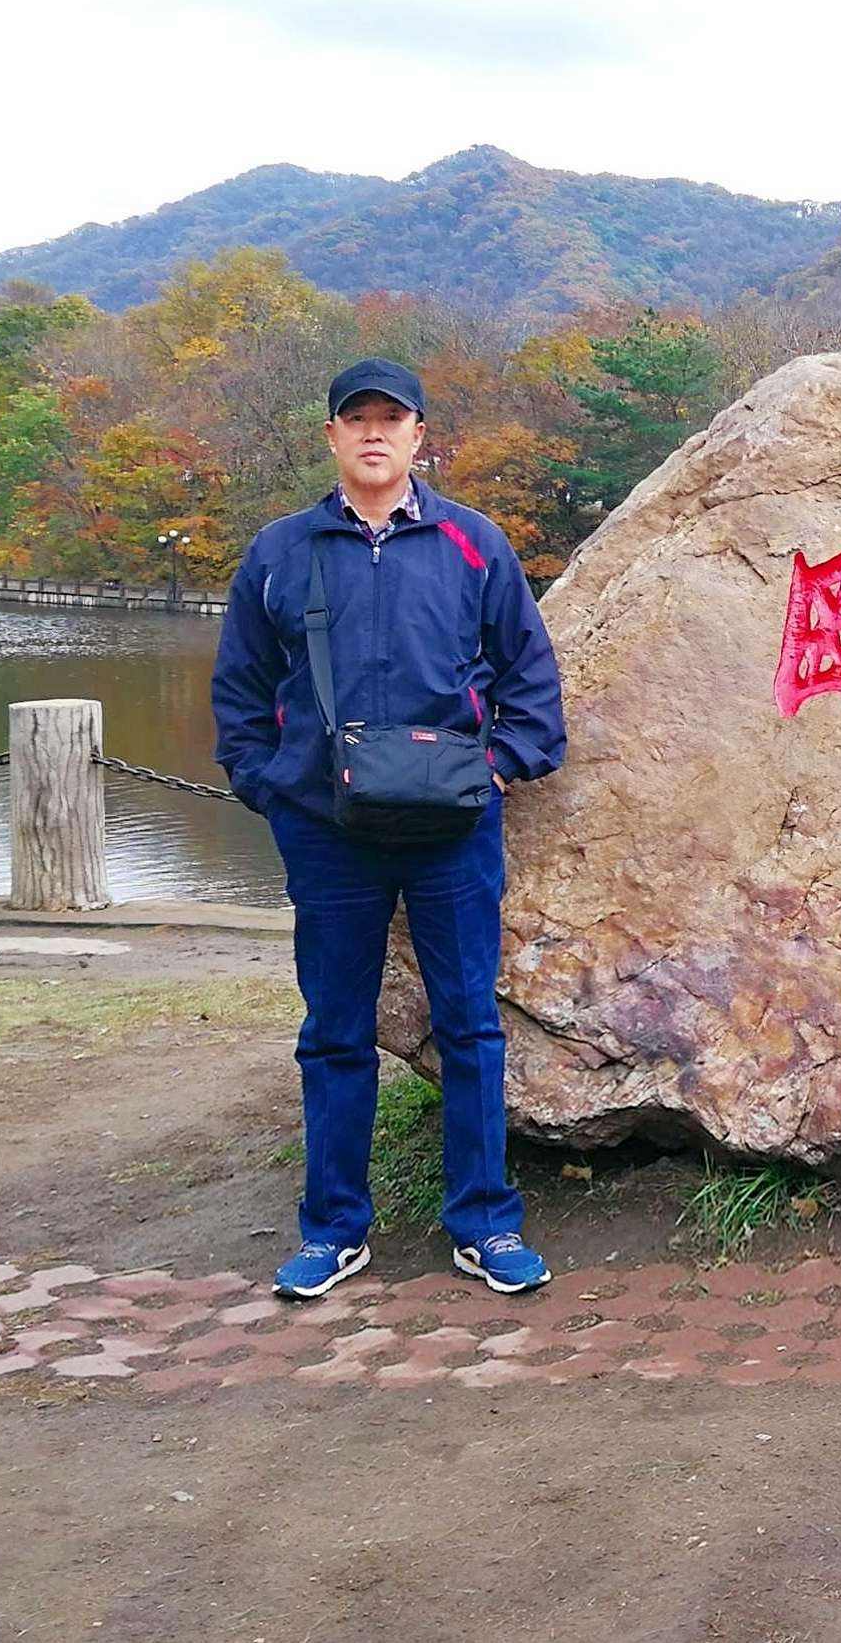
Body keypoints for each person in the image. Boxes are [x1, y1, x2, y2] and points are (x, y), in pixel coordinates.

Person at [211, 357, 568, 1300]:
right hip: (328, 830)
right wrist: (268, 785)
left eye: (391, 418)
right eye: (355, 418)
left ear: (418, 435)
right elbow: (240, 690)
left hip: (452, 825)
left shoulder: (472, 542)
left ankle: (485, 1223)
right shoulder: (283, 551)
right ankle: (332, 1229)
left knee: (470, 1024)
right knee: (334, 1030)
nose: (373, 432)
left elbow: (531, 679)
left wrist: (493, 767)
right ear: (332, 436)